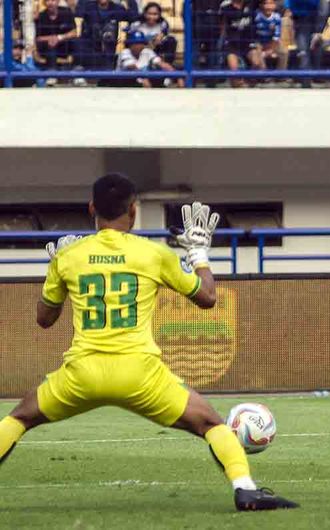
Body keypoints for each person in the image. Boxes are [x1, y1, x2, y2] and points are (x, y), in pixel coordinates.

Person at [0, 174, 297, 511]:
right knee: (212, 424)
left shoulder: (70, 256)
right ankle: (245, 489)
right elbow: (208, 298)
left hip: (82, 373)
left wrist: (55, 266)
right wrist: (199, 255)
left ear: (92, 208)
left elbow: (44, 319)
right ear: (133, 211)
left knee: (20, 417)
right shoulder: (153, 254)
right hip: (140, 373)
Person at [75, 0, 139, 70]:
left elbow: (134, 17)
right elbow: (76, 14)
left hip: (110, 50)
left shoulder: (117, 8)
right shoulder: (87, 7)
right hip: (91, 48)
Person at [116, 30, 183, 87]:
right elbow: (133, 68)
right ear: (130, 44)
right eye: (135, 43)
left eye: (141, 43)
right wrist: (144, 79)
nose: (139, 46)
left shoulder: (147, 51)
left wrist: (177, 76)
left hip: (141, 81)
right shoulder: (125, 52)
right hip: (125, 84)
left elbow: (162, 64)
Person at [287, 0, 329, 87]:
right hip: (301, 20)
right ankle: (306, 82)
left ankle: (313, 78)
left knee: (313, 50)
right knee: (303, 52)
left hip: (315, 20)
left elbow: (324, 8)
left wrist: (318, 31)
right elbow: (288, 6)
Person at [220, 0, 260, 88]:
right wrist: (222, 43)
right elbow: (222, 26)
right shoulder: (226, 7)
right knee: (234, 70)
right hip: (232, 44)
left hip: (247, 43)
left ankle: (249, 83)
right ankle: (236, 86)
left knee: (257, 62)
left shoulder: (251, 4)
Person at [35, 0, 78, 79]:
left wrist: (58, 38)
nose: (50, 3)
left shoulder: (66, 12)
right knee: (50, 45)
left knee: (77, 42)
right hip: (48, 47)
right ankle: (52, 74)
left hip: (64, 45)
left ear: (58, 1)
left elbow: (74, 32)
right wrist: (52, 39)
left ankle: (77, 73)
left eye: (53, 0)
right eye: (48, 1)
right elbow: (38, 38)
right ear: (45, 3)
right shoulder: (42, 16)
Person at [254, 0, 283, 69]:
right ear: (261, 5)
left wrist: (271, 49)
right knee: (257, 51)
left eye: (271, 4)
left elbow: (276, 35)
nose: (268, 7)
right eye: (266, 4)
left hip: (271, 42)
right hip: (258, 42)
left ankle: (280, 76)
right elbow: (253, 34)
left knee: (283, 51)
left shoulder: (277, 17)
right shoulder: (256, 16)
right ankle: (263, 75)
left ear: (275, 5)